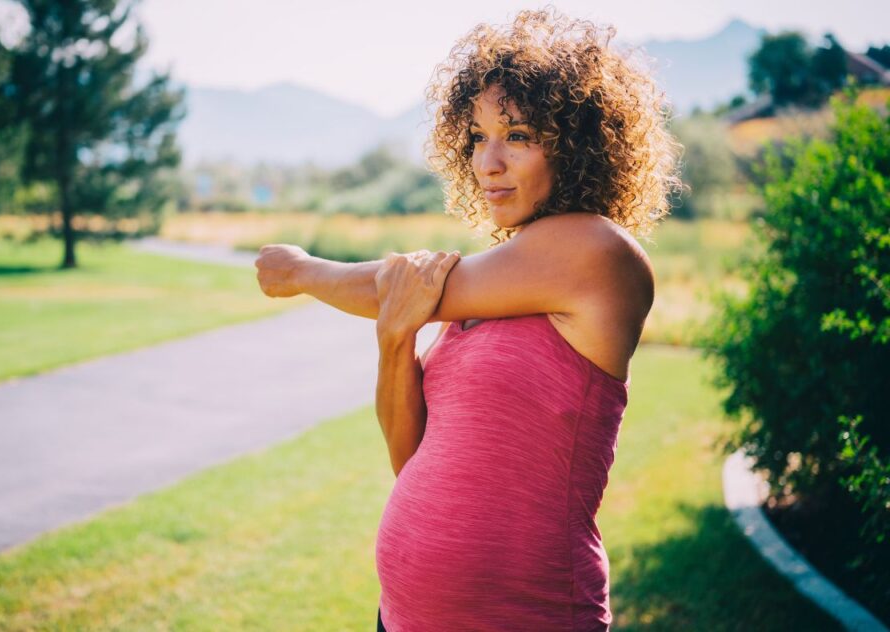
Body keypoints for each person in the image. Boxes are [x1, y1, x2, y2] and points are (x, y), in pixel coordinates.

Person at [254, 6, 680, 630]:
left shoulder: (599, 253)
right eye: (478, 136)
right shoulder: (487, 288)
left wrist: (301, 270)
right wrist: (395, 339)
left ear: (579, 142)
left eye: (519, 134)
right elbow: (410, 459)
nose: (489, 162)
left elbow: (388, 284)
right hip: (403, 617)